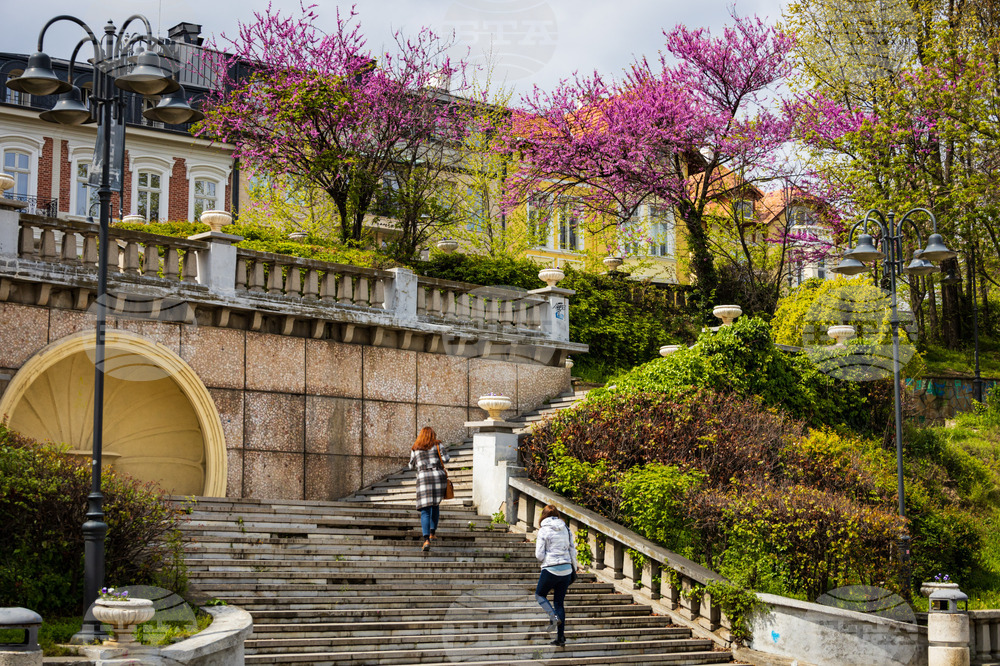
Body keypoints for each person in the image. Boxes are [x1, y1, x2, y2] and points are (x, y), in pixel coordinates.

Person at [534, 504, 577, 647]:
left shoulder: (543, 530)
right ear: (557, 514)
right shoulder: (566, 528)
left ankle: (553, 617)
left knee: (540, 595)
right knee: (559, 603)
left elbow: (539, 555)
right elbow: (572, 550)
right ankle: (561, 638)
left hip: (551, 568)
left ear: (543, 516)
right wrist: (574, 569)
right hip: (566, 569)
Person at [408, 426, 450, 552]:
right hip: (438, 477)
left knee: (425, 510)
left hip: (423, 478)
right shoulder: (437, 445)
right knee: (435, 505)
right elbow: (446, 459)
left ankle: (426, 540)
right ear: (433, 435)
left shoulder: (415, 448)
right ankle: (433, 532)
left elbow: (410, 465)